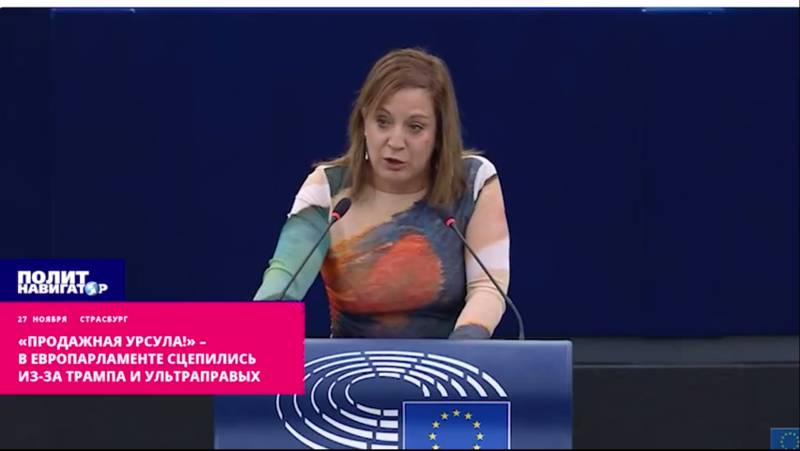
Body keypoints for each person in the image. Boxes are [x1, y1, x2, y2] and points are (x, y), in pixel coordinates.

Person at [253, 48, 510, 340]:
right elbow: (283, 283)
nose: (395, 141)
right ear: (364, 122)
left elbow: (487, 289)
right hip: (347, 367)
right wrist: (250, 345)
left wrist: (461, 354)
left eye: (415, 127)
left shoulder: (473, 182)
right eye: (383, 121)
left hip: (451, 363)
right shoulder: (328, 188)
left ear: (440, 133)